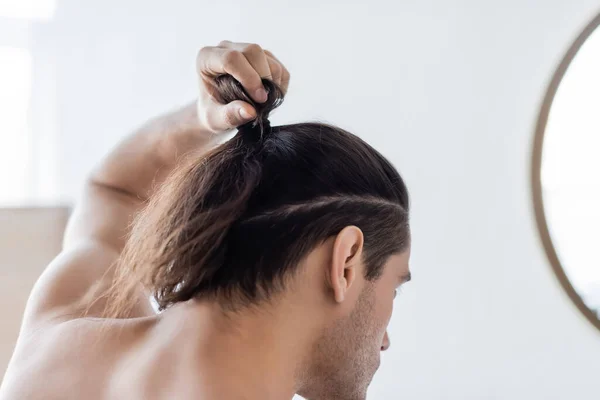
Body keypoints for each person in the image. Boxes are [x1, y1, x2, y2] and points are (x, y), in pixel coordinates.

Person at [0, 41, 412, 400]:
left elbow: (114, 191)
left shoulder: (56, 342)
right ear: (345, 262)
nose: (387, 340)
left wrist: (200, 117)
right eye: (394, 288)